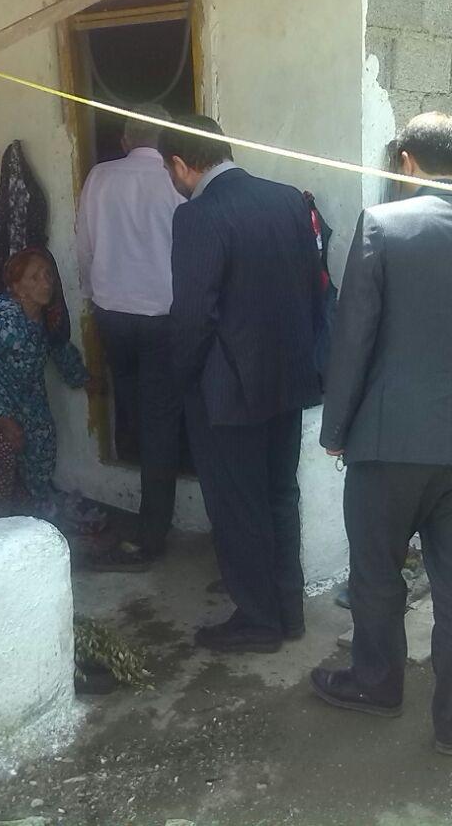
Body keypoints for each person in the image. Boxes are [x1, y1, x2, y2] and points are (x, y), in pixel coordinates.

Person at [311, 112, 452, 756]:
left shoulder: (382, 226)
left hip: (388, 444)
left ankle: (377, 685)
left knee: (377, 572)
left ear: (407, 162)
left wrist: (336, 429)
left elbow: (354, 337)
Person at [165, 115, 322, 653]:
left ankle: (258, 621)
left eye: (170, 172)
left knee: (238, 507)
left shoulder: (197, 216)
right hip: (287, 379)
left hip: (226, 392)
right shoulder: (288, 200)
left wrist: (181, 380)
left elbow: (192, 317)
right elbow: (312, 288)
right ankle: (288, 611)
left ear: (181, 165)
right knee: (280, 495)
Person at [76, 105, 185, 570]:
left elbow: (84, 246)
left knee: (135, 409)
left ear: (125, 141)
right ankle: (152, 530)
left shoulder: (99, 178)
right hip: (163, 317)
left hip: (113, 314)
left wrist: (91, 295)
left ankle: (144, 513)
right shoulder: (175, 181)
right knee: (163, 418)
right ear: (166, 143)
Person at [0, 247, 91, 531]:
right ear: (16, 286)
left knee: (42, 444)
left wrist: (84, 379)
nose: (45, 283)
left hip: (27, 401)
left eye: (48, 275)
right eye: (34, 278)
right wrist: (4, 420)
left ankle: (35, 519)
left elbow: (59, 348)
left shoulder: (47, 315)